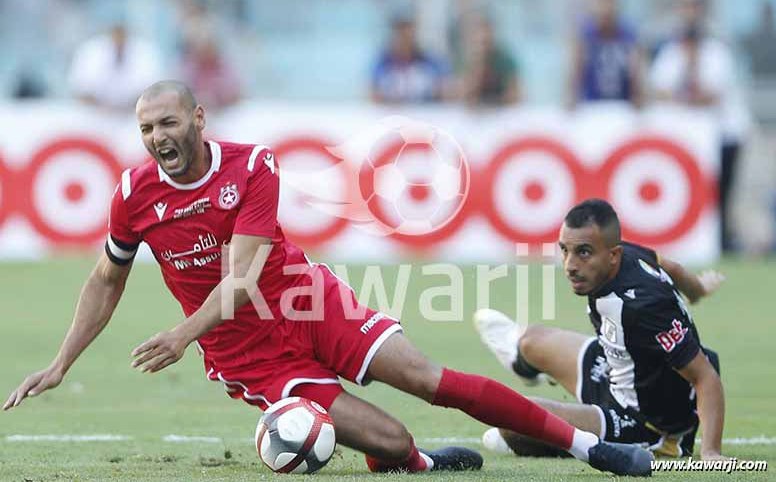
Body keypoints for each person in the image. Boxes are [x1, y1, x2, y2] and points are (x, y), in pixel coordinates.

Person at [4, 82, 652, 476]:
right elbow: (104, 279)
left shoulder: (252, 166)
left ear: (199, 119)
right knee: (394, 442)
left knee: (430, 380)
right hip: (246, 352)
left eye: (168, 123)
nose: (157, 138)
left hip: (304, 301)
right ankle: (413, 461)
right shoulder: (132, 195)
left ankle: (590, 447)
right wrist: (63, 361)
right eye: (146, 129)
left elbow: (242, 275)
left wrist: (180, 334)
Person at [475, 199, 727, 460]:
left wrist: (710, 452)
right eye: (565, 250)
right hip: (619, 369)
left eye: (583, 252)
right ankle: (525, 368)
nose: (570, 265)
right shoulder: (625, 253)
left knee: (512, 419)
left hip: (642, 419)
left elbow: (705, 377)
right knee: (530, 340)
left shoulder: (645, 307)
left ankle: (531, 441)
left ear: (613, 255)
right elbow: (670, 266)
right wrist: (697, 290)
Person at [649, 0, 751, 252]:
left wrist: (685, 90)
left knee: (723, 192)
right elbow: (659, 88)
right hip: (692, 137)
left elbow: (710, 95)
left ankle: (723, 240)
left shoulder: (717, 51)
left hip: (724, 134)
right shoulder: (671, 51)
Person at [567, 0, 642, 108]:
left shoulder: (628, 35)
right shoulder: (585, 35)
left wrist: (638, 97)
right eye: (601, 4)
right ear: (594, 8)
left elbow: (635, 70)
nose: (606, 9)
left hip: (623, 103)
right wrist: (571, 97)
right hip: (593, 104)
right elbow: (576, 69)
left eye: (610, 4)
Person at [68, 23, 163, 110]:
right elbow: (81, 91)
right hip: (95, 113)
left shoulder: (145, 52)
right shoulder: (91, 50)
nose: (119, 40)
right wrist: (104, 108)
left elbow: (151, 92)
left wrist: (124, 108)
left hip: (133, 115)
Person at [370, 13, 450, 104]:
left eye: (407, 30)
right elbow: (372, 91)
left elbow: (446, 88)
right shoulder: (383, 61)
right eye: (400, 31)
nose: (404, 36)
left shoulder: (430, 60)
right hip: (393, 114)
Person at [459, 13, 520, 106]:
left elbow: (514, 95)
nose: (483, 38)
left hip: (503, 114)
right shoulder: (471, 60)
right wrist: (479, 64)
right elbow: (466, 96)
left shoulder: (505, 60)